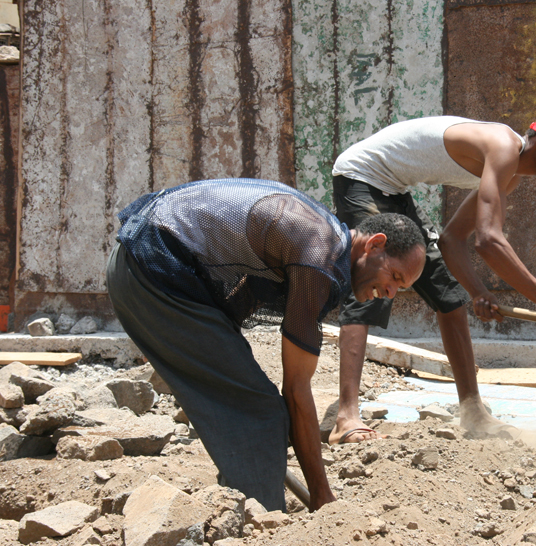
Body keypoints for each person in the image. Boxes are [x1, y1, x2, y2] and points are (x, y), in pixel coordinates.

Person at [106, 178, 426, 512]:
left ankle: (248, 502)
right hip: (152, 267)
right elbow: (296, 391)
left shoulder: (320, 237)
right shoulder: (318, 256)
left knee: (247, 398)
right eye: (395, 278)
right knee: (263, 413)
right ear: (375, 245)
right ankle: (265, 520)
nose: (391, 293)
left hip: (141, 266)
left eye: (401, 289)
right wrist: (322, 496)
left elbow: (239, 295)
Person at [329, 106, 536, 445]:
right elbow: (488, 240)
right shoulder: (502, 147)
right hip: (362, 177)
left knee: (450, 299)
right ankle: (346, 417)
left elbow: (454, 239)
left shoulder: (509, 171)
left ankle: (473, 411)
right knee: (373, 284)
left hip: (394, 191)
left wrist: (478, 291)